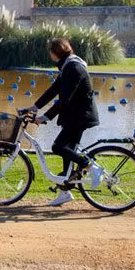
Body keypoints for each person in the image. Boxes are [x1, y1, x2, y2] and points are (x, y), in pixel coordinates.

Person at [26, 38, 104, 206]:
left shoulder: (73, 68)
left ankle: (91, 167)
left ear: (55, 53)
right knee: (67, 154)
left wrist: (44, 117)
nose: (49, 54)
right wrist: (35, 106)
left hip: (80, 116)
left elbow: (65, 99)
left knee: (58, 147)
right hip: (75, 115)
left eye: (50, 51)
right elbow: (55, 89)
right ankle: (65, 193)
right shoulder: (68, 66)